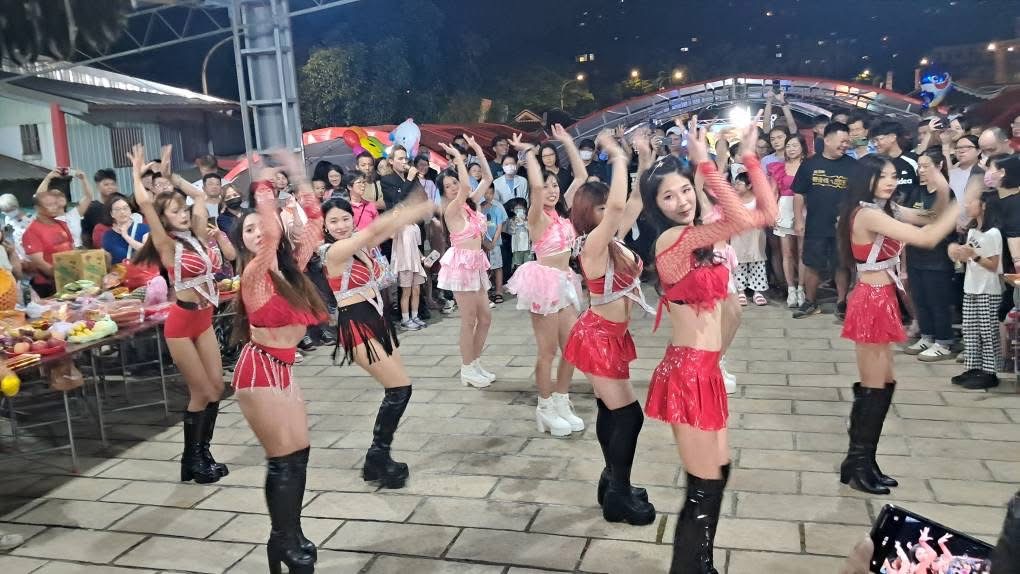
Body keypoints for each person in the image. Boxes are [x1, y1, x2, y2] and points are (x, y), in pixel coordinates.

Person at [641, 117, 775, 572]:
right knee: (703, 485)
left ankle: (701, 564)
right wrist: (705, 162)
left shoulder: (700, 236)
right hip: (686, 372)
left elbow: (765, 215)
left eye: (685, 191)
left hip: (706, 370)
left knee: (717, 474)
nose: (681, 201)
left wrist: (751, 159)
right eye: (668, 196)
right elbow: (741, 217)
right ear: (656, 206)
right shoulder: (673, 240)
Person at [836, 154, 958, 495]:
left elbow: (930, 216)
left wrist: (943, 187)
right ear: (867, 179)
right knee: (874, 385)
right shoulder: (868, 214)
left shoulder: (884, 209)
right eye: (882, 176)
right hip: (872, 299)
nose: (890, 182)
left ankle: (862, 461)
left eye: (893, 176)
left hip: (882, 296)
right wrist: (965, 201)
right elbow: (928, 237)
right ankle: (859, 464)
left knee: (884, 382)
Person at [228, 155, 326, 574]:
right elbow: (271, 235)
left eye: (260, 226)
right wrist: (265, 188)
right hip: (258, 370)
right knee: (283, 458)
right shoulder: (255, 272)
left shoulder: (291, 267)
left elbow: (315, 225)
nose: (257, 233)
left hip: (281, 369)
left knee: (299, 453)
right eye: (247, 230)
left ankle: (289, 534)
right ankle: (283, 541)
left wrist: (299, 175)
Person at [563, 130, 655, 525]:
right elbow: (619, 204)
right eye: (599, 208)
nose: (608, 211)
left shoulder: (610, 239)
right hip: (598, 337)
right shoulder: (592, 244)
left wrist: (643, 158)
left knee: (612, 410)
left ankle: (612, 481)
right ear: (588, 213)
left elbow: (633, 200)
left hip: (609, 335)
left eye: (606, 206)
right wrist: (617, 156)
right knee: (629, 416)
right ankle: (618, 493)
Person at [129, 144, 228, 485]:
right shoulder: (167, 244)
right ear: (165, 218)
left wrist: (172, 177)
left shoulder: (198, 234)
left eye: (182, 209)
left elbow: (199, 195)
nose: (183, 214)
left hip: (204, 320)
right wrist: (138, 172)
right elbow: (145, 204)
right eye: (175, 211)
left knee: (216, 388)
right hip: (182, 324)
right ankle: (193, 460)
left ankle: (202, 455)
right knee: (201, 392)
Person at [321, 191, 433, 490]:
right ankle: (377, 457)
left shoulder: (358, 245)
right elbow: (373, 230)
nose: (341, 225)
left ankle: (378, 457)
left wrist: (414, 211)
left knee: (399, 388)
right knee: (399, 389)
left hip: (377, 320)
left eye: (345, 218)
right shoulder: (333, 251)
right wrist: (406, 207)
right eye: (333, 221)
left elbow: (383, 230)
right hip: (356, 323)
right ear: (325, 226)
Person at [506, 129, 585, 437]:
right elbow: (537, 187)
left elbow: (581, 176)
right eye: (547, 186)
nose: (552, 190)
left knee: (573, 348)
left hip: (565, 281)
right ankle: (545, 406)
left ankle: (562, 400)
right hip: (544, 283)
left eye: (556, 186)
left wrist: (567, 143)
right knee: (547, 351)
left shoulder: (563, 215)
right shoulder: (537, 216)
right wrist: (528, 154)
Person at [436, 136, 497, 388]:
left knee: (485, 318)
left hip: (477, 264)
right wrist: (459, 159)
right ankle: (467, 368)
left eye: (454, 182)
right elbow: (464, 187)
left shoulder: (471, 205)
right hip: (461, 267)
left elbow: (488, 178)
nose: (453, 187)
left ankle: (475, 362)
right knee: (469, 319)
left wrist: (477, 149)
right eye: (448, 185)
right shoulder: (451, 210)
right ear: (443, 191)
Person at [792, 122, 856, 318]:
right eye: (842, 141)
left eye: (847, 141)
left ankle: (842, 303)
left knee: (841, 264)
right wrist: (798, 220)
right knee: (812, 264)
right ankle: (810, 301)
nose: (845, 145)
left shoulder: (853, 166)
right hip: (815, 224)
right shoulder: (810, 164)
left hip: (842, 227)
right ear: (827, 140)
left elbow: (858, 196)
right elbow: (799, 194)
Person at [901, 149, 958, 362]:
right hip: (915, 255)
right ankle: (927, 336)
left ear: (940, 166)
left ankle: (944, 341)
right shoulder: (916, 192)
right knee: (921, 299)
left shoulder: (947, 194)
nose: (921, 170)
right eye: (919, 166)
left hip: (938, 258)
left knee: (938, 301)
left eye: (926, 166)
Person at [948, 191, 1002, 390]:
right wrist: (957, 252)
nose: (967, 205)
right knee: (970, 331)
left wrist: (974, 255)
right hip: (971, 287)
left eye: (971, 202)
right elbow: (967, 258)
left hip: (988, 290)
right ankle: (973, 368)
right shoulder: (972, 231)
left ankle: (990, 372)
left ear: (984, 205)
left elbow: (994, 265)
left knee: (988, 333)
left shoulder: (993, 233)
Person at [769, 134, 807, 308]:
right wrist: (772, 213)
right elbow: (773, 193)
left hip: (805, 208)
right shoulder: (778, 167)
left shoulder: (808, 167)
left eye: (795, 145)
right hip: (784, 207)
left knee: (802, 252)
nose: (791, 149)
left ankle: (801, 289)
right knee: (787, 253)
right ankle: (791, 289)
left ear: (802, 148)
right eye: (788, 146)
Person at [22, 191, 74, 298]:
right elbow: (39, 263)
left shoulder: (62, 224)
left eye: (55, 203)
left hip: (71, 280)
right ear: (37, 208)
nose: (55, 207)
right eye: (49, 205)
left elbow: (72, 249)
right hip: (48, 284)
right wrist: (62, 276)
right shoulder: (32, 231)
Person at [730, 172, 770, 306]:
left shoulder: (757, 200)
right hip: (738, 235)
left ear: (749, 185)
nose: (735, 186)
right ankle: (740, 291)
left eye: (739, 184)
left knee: (757, 262)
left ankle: (757, 292)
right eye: (735, 183)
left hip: (755, 236)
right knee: (738, 263)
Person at [391, 216, 427, 331]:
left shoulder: (415, 227)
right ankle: (405, 320)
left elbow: (415, 246)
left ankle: (415, 316)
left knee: (416, 291)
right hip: (404, 264)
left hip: (416, 264)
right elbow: (391, 235)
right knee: (406, 292)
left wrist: (422, 257)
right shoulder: (399, 226)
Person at [101, 193, 150, 265]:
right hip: (119, 271)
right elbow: (107, 261)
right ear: (111, 214)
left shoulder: (144, 228)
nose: (122, 212)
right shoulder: (108, 235)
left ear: (130, 210)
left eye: (125, 208)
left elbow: (147, 252)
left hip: (140, 271)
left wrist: (126, 236)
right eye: (117, 209)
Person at [482, 185, 508, 304]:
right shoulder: (479, 209)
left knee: (497, 267)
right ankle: (485, 293)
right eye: (485, 193)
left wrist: (493, 242)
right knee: (484, 268)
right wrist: (484, 242)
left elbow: (499, 227)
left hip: (495, 243)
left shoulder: (497, 209)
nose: (488, 195)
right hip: (482, 244)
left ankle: (498, 291)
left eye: (490, 193)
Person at [81, 168, 119, 248]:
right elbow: (85, 233)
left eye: (113, 184)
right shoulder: (91, 208)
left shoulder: (122, 205)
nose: (110, 187)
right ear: (98, 186)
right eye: (106, 184)